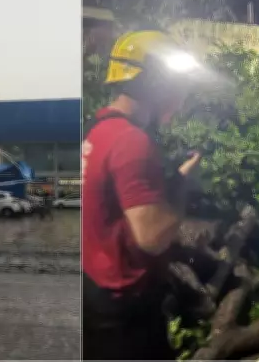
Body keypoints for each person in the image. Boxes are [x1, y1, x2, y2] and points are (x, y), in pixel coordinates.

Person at [81, 29, 203, 360]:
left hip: (96, 293)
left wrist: (177, 178)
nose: (179, 94)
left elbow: (123, 208)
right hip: (125, 314)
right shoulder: (132, 142)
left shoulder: (101, 133)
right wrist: (183, 193)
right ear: (153, 82)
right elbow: (153, 236)